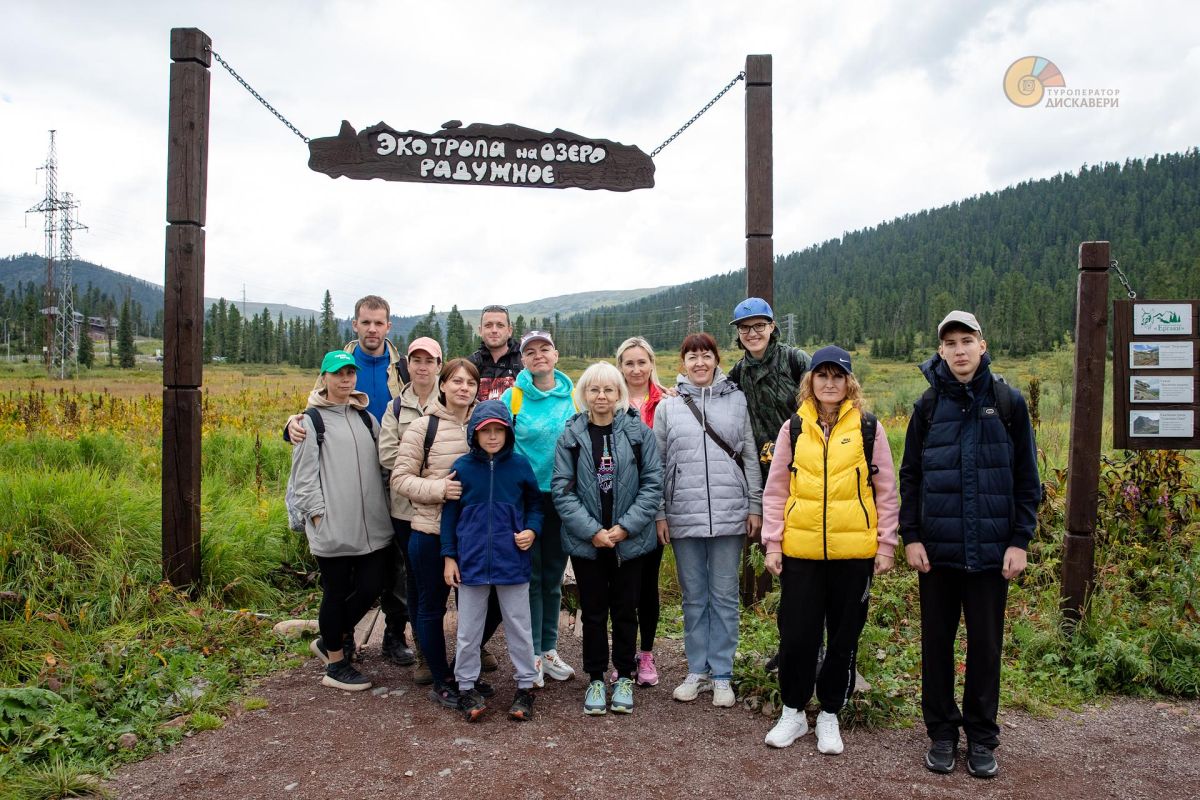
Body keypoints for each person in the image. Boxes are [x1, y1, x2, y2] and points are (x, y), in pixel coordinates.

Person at [900, 310, 1040, 779]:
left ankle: (981, 737)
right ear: (940, 350)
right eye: (950, 343)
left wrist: (1020, 540)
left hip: (990, 553)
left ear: (983, 344)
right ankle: (942, 733)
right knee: (936, 645)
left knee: (985, 647)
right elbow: (911, 477)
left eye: (967, 340)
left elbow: (1027, 478)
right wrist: (912, 536)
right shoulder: (926, 406)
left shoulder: (1007, 402)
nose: (959, 350)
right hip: (936, 552)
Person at [760, 345, 898, 754]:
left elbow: (887, 492)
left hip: (854, 554)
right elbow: (776, 491)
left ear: (849, 382)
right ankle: (794, 711)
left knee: (843, 637)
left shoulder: (869, 428)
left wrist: (886, 544)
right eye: (822, 375)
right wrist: (773, 543)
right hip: (800, 551)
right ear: (811, 382)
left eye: (838, 376)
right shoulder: (794, 429)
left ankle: (830, 714)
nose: (830, 383)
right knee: (797, 636)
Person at [285, 295, 412, 665]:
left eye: (379, 323)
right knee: (347, 569)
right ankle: (342, 638)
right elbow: (312, 411)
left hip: (390, 471)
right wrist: (290, 424)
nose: (372, 329)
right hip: (343, 473)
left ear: (389, 327)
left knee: (395, 561)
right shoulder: (339, 363)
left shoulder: (402, 369)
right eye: (366, 322)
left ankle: (393, 634)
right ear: (354, 325)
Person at [653, 333, 762, 708]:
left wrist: (754, 505)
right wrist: (660, 513)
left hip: (731, 514)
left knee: (725, 597)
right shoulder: (669, 407)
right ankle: (696, 670)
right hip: (683, 514)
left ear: (717, 359)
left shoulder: (736, 399)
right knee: (694, 598)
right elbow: (658, 464)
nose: (699, 362)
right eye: (692, 356)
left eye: (706, 355)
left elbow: (748, 454)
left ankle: (722, 674)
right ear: (682, 363)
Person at [553, 362, 662, 716]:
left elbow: (652, 484)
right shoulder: (571, 435)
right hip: (588, 544)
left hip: (630, 543)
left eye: (609, 390)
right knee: (594, 612)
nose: (601, 397)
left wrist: (625, 527)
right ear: (584, 394)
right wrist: (593, 532)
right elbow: (562, 490)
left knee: (626, 610)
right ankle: (597, 677)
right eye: (594, 390)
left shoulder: (637, 433)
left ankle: (626, 675)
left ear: (619, 394)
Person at [287, 351, 392, 691]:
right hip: (331, 524)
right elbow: (303, 479)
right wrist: (318, 516)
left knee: (372, 585)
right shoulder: (310, 422)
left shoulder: (366, 419)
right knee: (335, 592)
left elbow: (382, 464)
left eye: (350, 373)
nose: (346, 380)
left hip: (372, 525)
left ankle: (329, 636)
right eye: (338, 374)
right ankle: (334, 663)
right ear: (324, 378)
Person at [442, 401, 543, 722]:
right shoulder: (462, 468)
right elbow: (449, 516)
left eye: (500, 430)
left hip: (512, 561)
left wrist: (531, 530)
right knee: (468, 630)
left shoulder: (520, 466)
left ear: (508, 432)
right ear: (474, 432)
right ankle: (466, 686)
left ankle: (526, 687)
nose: (493, 437)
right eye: (486, 431)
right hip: (470, 563)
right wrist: (449, 557)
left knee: (519, 626)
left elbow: (535, 507)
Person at [392, 358, 481, 708]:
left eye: (470, 383)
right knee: (431, 607)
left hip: (473, 536)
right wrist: (439, 489)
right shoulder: (421, 428)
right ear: (443, 385)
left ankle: (462, 671)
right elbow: (399, 480)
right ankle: (441, 679)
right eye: (456, 381)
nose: (463, 388)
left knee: (481, 609)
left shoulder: (485, 424)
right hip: (428, 532)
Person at [500, 330, 577, 687]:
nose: (538, 355)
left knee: (552, 578)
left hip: (562, 498)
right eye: (530, 351)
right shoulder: (512, 398)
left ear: (556, 354)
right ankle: (529, 653)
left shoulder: (575, 397)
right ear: (523, 359)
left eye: (544, 349)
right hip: (524, 500)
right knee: (529, 577)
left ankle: (549, 649)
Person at [376, 336, 442, 676]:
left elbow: (462, 448)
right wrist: (430, 470)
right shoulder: (396, 408)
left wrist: (413, 459)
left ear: (438, 366)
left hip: (446, 510)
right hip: (406, 509)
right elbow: (386, 454)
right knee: (417, 579)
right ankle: (425, 653)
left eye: (429, 361)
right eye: (416, 360)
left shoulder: (451, 401)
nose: (422, 366)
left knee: (455, 577)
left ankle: (473, 646)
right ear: (408, 367)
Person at [615, 336, 668, 686]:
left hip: (655, 505)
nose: (636, 369)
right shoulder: (609, 401)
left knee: (648, 585)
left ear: (651, 364)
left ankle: (645, 654)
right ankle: (622, 656)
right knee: (622, 589)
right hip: (618, 507)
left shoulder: (668, 403)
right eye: (629, 363)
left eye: (641, 362)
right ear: (620, 366)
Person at [469, 304, 523, 401]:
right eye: (488, 325)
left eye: (500, 325)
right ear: (480, 330)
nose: (494, 330)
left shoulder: (524, 361)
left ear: (509, 331)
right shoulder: (470, 364)